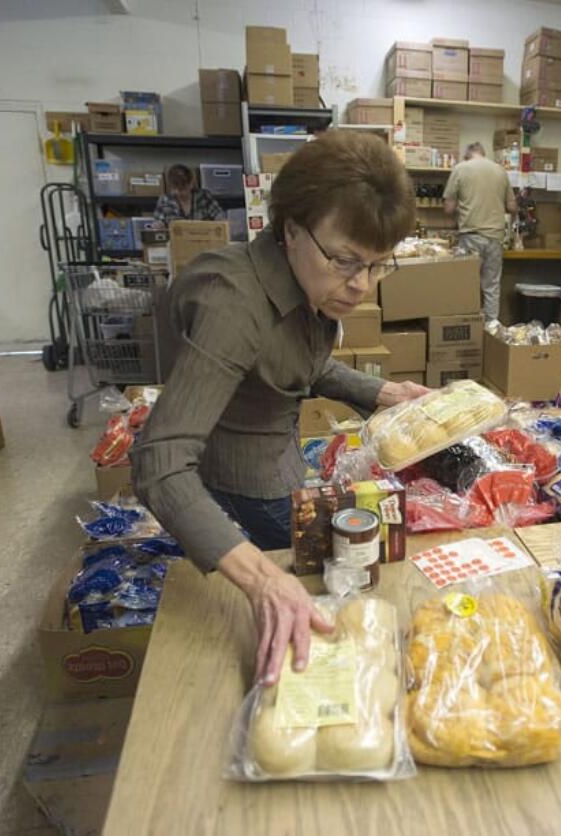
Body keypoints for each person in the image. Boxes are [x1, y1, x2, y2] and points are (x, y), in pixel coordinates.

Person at [132, 132, 427, 685]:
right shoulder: (233, 305)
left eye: (378, 265)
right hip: (240, 484)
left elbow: (293, 363)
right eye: (345, 260)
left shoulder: (304, 280)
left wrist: (382, 394)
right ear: (290, 228)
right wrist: (262, 580)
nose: (361, 285)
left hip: (279, 456)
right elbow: (159, 462)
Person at [443, 142, 518, 324]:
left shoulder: (460, 169)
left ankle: (467, 329)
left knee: (466, 286)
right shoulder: (500, 171)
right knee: (491, 286)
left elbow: (448, 208)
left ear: (467, 155)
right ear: (483, 154)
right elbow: (512, 206)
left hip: (470, 237)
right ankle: (491, 329)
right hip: (495, 238)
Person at [153, 163, 225, 223]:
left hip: (202, 237)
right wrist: (158, 226)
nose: (178, 193)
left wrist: (218, 222)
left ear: (191, 184)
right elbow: (157, 221)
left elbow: (219, 215)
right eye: (175, 188)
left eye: (182, 189)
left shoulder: (204, 196)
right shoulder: (164, 200)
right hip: (175, 238)